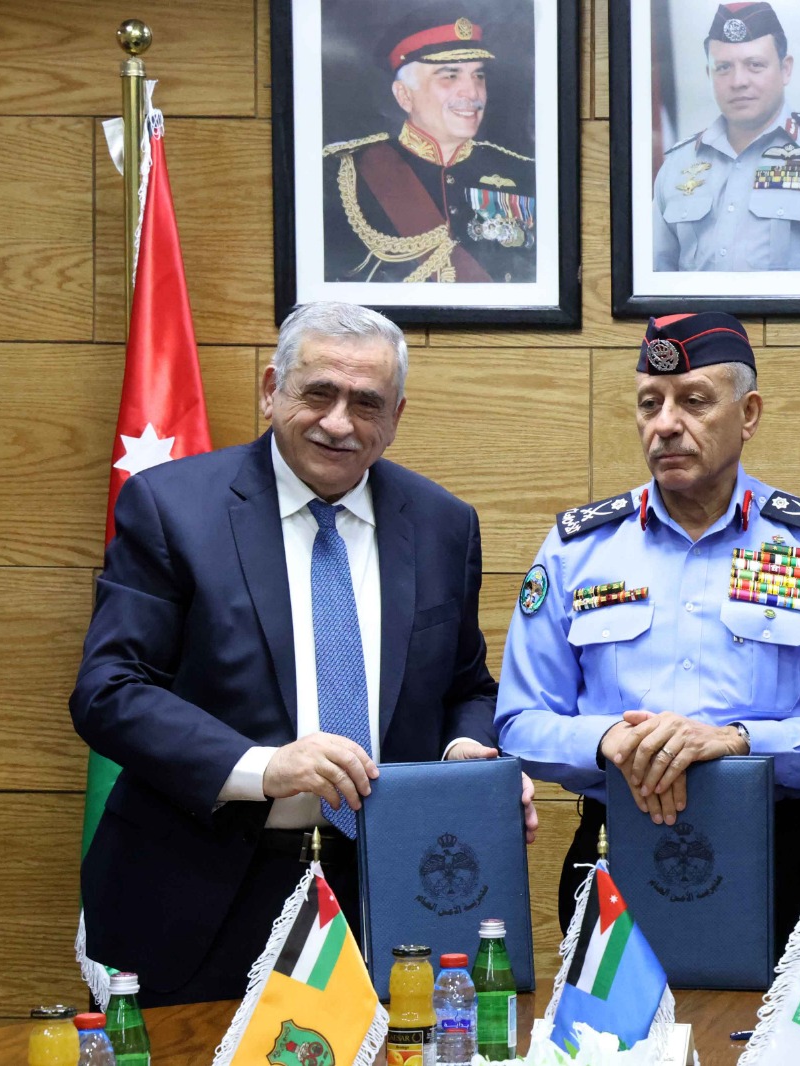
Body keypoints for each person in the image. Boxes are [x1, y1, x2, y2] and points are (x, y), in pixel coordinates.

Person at [72, 301, 535, 1006]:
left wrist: (464, 752)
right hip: (202, 887)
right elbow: (109, 689)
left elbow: (465, 685)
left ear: (396, 416)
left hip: (387, 882)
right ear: (271, 390)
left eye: (366, 402)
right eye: (318, 393)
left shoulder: (443, 523)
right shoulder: (171, 507)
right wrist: (264, 767)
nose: (339, 423)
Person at [497, 311, 800, 939]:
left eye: (693, 401)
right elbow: (519, 724)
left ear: (748, 414)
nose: (665, 424)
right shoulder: (579, 549)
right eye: (649, 403)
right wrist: (608, 740)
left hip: (779, 858)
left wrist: (740, 741)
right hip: (613, 848)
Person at [323, 10, 536, 284]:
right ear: (404, 95)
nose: (472, 93)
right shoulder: (345, 174)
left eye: (478, 76)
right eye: (450, 76)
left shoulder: (524, 171)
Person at [653, 2, 800, 271]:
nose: (738, 81)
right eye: (723, 67)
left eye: (754, 65)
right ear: (709, 74)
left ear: (785, 69)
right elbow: (653, 281)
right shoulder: (678, 164)